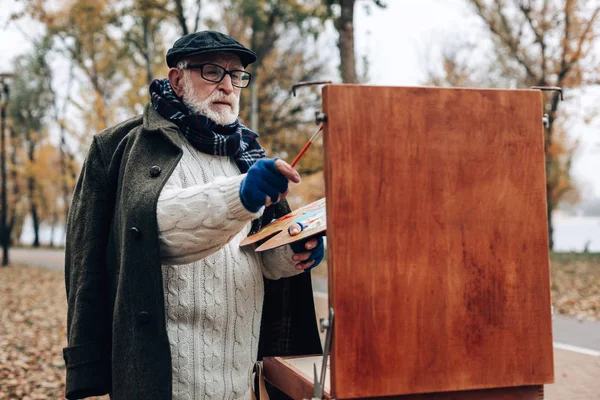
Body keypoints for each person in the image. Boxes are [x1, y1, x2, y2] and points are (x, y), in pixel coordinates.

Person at [63, 30, 325, 400]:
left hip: (241, 374)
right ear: (177, 78)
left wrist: (293, 254)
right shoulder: (125, 146)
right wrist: (241, 195)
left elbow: (252, 254)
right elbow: (157, 232)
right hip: (166, 379)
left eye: (236, 75)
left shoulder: (245, 152)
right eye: (212, 71)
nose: (227, 86)